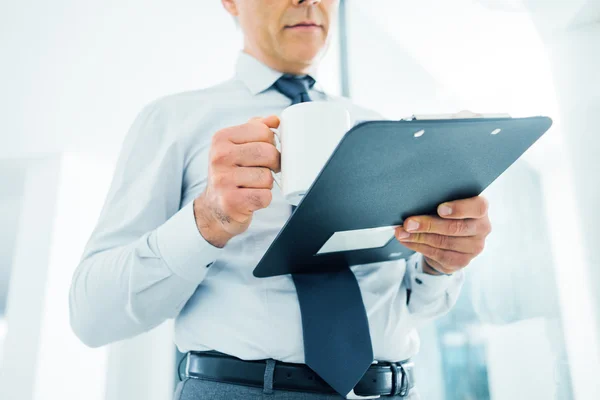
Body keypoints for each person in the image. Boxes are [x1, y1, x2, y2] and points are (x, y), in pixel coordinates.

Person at [69, 0, 492, 398]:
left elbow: (411, 305)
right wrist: (205, 222)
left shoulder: (378, 126)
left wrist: (440, 264)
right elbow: (92, 317)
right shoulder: (173, 120)